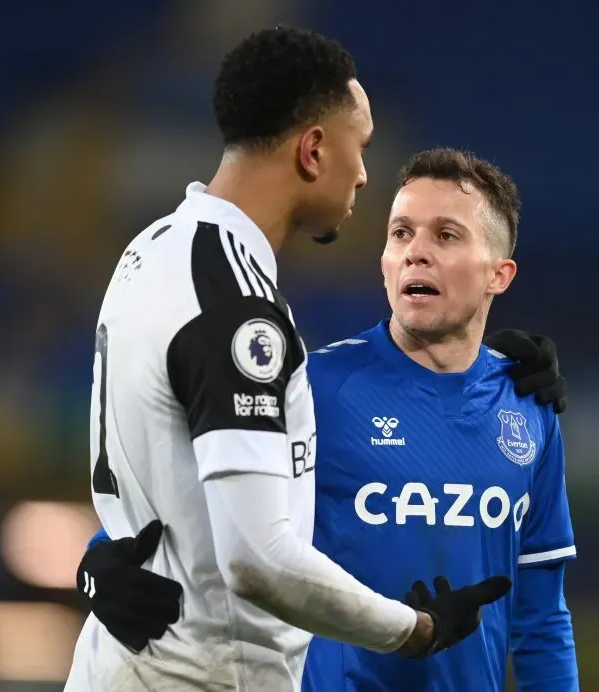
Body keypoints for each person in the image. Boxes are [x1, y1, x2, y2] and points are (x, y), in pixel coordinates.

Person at [63, 27, 519, 692]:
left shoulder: (151, 250)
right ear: (312, 150)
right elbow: (257, 559)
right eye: (358, 147)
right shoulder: (234, 302)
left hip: (122, 663)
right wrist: (415, 630)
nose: (365, 173)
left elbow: (163, 469)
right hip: (204, 674)